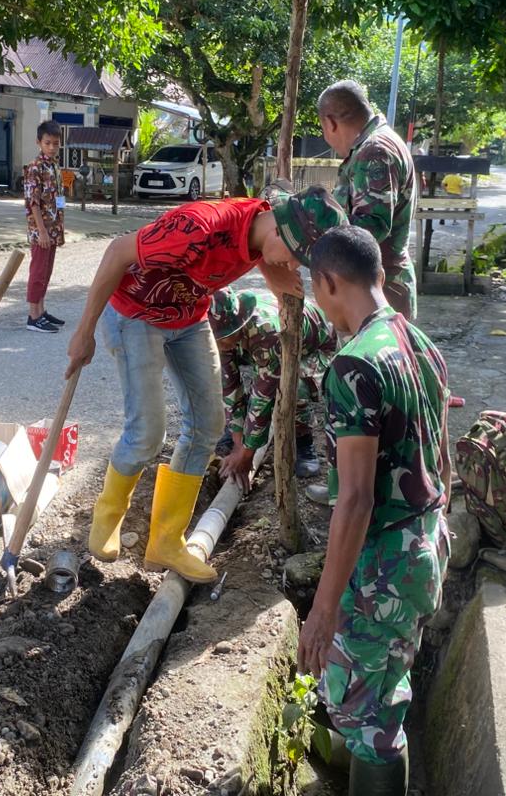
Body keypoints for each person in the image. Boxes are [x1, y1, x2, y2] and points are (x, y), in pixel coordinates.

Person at [66, 187, 347, 582]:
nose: (291, 266)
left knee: (207, 424)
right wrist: (84, 331)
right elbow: (117, 251)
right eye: (293, 258)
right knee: (147, 433)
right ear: (282, 234)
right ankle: (108, 515)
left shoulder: (266, 226)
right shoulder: (199, 229)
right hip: (136, 316)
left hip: (188, 317)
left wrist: (275, 278)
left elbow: (262, 250)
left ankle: (167, 540)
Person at [298, 225, 451, 796]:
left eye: (317, 291)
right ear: (381, 277)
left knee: (368, 720)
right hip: (427, 544)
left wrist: (323, 607)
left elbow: (357, 498)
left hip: (386, 562)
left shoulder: (354, 367)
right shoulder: (421, 344)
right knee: (387, 690)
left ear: (329, 282)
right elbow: (439, 456)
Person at [207, 288, 337, 487]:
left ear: (239, 323)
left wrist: (246, 454)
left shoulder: (268, 333)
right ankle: (241, 431)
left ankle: (303, 442)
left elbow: (264, 397)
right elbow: (228, 383)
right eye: (216, 339)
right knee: (239, 380)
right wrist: (237, 438)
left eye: (224, 339)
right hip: (263, 347)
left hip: (312, 349)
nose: (220, 344)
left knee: (291, 388)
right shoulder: (221, 326)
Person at [318, 80, 418, 320]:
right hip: (375, 288)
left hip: (376, 293)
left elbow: (370, 229)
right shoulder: (379, 142)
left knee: (370, 358)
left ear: (330, 123)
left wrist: (316, 225)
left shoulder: (374, 151)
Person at [23, 121, 66, 333]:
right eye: (47, 143)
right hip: (41, 230)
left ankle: (41, 311)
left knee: (46, 272)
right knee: (38, 270)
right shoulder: (35, 168)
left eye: (55, 144)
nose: (51, 147)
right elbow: (33, 203)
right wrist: (41, 231)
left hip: (54, 228)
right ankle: (33, 316)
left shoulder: (54, 166)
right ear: (39, 142)